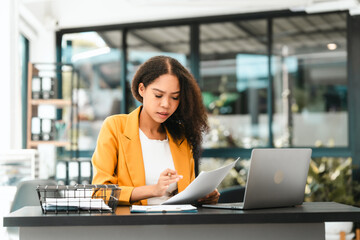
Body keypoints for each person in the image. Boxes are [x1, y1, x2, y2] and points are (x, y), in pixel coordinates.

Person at [92, 55, 219, 205]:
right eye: (158, 95)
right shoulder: (115, 127)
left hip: (177, 223)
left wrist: (202, 196)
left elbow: (184, 195)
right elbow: (100, 192)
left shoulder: (180, 136)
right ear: (142, 89)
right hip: (134, 225)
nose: (166, 104)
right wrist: (153, 190)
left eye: (175, 97)